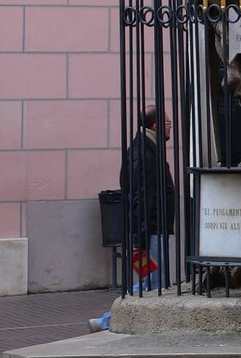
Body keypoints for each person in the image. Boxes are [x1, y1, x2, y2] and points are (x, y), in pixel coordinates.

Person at [88, 106, 175, 333]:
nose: (170, 127)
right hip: (150, 231)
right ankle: (108, 321)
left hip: (153, 228)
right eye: (167, 123)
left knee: (152, 283)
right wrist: (139, 238)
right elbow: (138, 198)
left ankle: (105, 320)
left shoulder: (149, 149)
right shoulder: (143, 154)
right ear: (155, 126)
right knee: (154, 284)